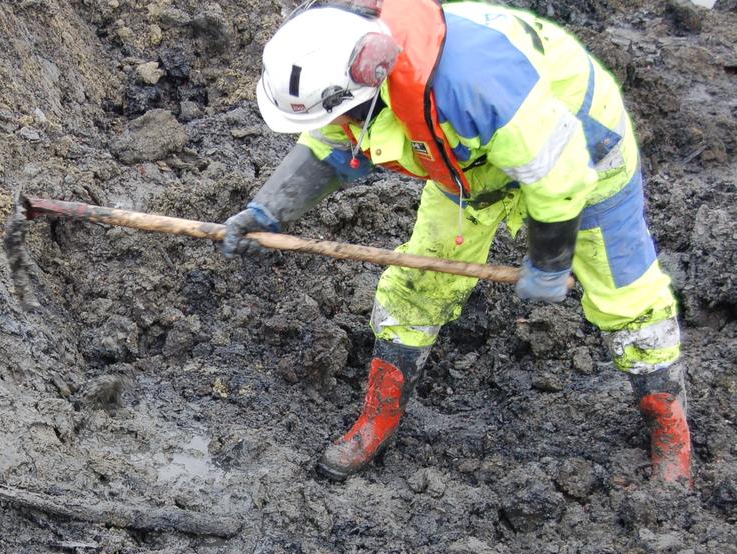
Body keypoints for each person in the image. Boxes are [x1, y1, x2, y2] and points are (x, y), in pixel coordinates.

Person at [223, 0, 693, 487]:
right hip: (470, 170)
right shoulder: (352, 76)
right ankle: (377, 419)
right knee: (415, 288)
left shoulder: (475, 84)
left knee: (629, 299)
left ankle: (670, 440)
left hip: (582, 154)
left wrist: (551, 260)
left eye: (346, 113)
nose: (341, 124)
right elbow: (331, 143)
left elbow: (559, 175)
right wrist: (269, 211)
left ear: (372, 78)